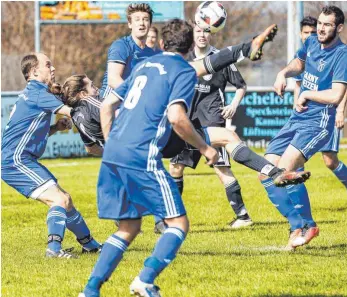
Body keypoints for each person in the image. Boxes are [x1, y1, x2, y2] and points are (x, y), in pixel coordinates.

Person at [78, 18, 218, 297]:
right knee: (178, 224)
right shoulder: (184, 71)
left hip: (114, 152)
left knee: (129, 227)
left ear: (163, 44)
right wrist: (204, 147)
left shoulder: (142, 65)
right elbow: (177, 117)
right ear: (190, 47)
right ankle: (144, 280)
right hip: (143, 154)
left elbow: (107, 104)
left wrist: (113, 140)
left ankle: (90, 290)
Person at [259, 5, 347, 250]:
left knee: (283, 171)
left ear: (339, 28)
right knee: (265, 171)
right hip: (297, 118)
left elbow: (337, 94)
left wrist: (308, 94)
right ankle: (301, 224)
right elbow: (298, 62)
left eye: (327, 24)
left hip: (318, 121)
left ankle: (303, 226)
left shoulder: (342, 54)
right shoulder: (311, 43)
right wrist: (283, 73)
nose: (321, 28)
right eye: (320, 22)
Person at [1, 53, 101, 258]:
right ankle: (53, 250)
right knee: (58, 200)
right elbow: (72, 111)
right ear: (34, 72)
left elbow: (27, 131)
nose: (53, 68)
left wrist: (55, 128)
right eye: (48, 65)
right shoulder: (38, 94)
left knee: (66, 199)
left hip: (18, 159)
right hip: (15, 161)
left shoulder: (34, 94)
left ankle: (90, 246)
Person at [169, 22, 253, 230]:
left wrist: (233, 105)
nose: (202, 35)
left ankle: (243, 216)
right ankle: (170, 218)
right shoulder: (185, 58)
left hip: (213, 120)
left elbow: (241, 86)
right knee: (176, 167)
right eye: (198, 31)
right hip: (188, 122)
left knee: (221, 167)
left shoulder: (220, 58)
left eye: (206, 31)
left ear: (212, 34)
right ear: (191, 35)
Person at [294, 16, 347, 190]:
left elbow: (340, 89)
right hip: (305, 115)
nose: (311, 34)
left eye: (312, 31)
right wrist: (296, 105)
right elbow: (298, 85)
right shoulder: (305, 54)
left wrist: (340, 111)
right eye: (306, 32)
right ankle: (298, 204)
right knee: (293, 157)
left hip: (326, 114)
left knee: (330, 160)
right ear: (301, 34)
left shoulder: (338, 54)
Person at [100, 3, 156, 99]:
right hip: (110, 104)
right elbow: (113, 80)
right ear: (130, 24)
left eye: (145, 19)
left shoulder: (151, 54)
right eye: (137, 19)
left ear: (150, 24)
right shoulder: (121, 46)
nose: (141, 23)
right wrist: (138, 96)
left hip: (131, 105)